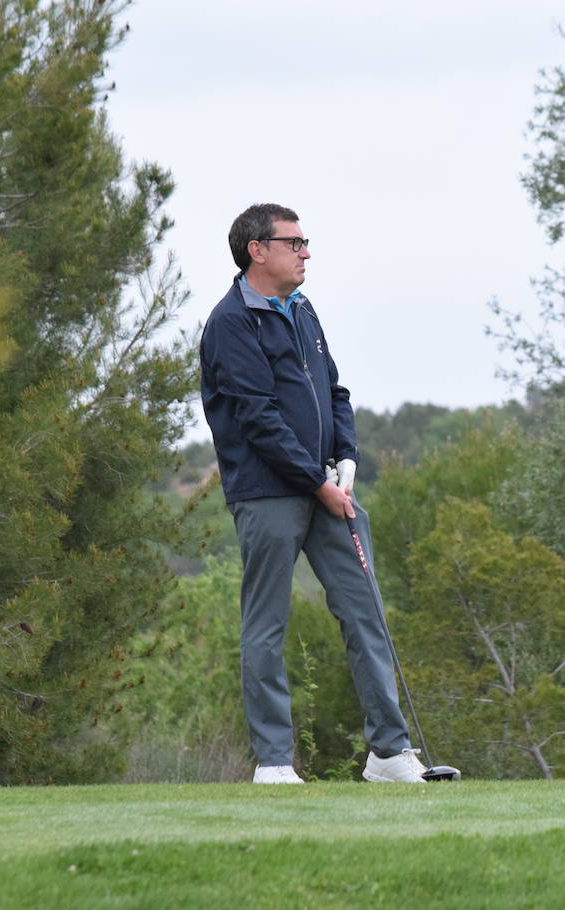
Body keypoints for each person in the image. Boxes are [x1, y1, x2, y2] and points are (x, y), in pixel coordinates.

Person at [199, 203, 427, 784]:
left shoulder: (303, 310)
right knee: (267, 627)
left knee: (364, 612)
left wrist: (346, 458)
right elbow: (258, 419)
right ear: (258, 249)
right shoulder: (231, 324)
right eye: (295, 242)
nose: (306, 252)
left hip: (328, 486)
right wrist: (317, 482)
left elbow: (336, 391)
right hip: (268, 495)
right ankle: (274, 763)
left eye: (305, 242)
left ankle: (389, 755)